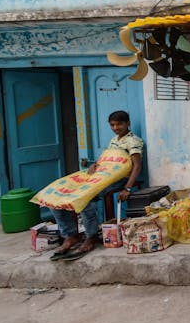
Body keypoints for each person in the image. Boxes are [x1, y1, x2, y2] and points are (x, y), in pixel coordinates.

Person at [50, 110, 143, 261]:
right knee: (57, 195)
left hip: (117, 179)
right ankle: (71, 235)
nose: (115, 127)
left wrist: (127, 187)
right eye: (112, 125)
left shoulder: (133, 141)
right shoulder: (114, 140)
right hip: (101, 176)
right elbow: (108, 160)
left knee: (86, 198)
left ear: (128, 124)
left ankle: (91, 236)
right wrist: (96, 165)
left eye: (119, 124)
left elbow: (137, 165)